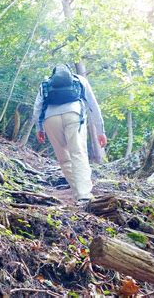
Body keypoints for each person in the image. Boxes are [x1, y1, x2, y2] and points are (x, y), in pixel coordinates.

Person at [32, 64, 107, 205]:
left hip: (50, 119)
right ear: (69, 72)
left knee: (64, 159)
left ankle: (78, 193)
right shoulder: (79, 80)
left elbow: (37, 107)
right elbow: (93, 105)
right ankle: (84, 195)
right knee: (78, 154)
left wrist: (39, 128)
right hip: (74, 115)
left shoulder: (46, 83)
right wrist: (100, 130)